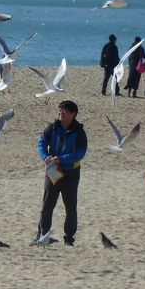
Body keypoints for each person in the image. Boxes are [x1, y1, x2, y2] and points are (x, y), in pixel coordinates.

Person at [34, 100, 88, 246]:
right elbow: (41, 142)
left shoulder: (79, 131)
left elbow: (80, 153)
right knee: (47, 204)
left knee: (70, 206)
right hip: (53, 171)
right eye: (59, 109)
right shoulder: (52, 127)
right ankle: (42, 235)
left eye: (64, 110)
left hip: (71, 173)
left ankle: (69, 238)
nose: (60, 112)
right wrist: (45, 156)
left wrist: (61, 159)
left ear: (73, 114)